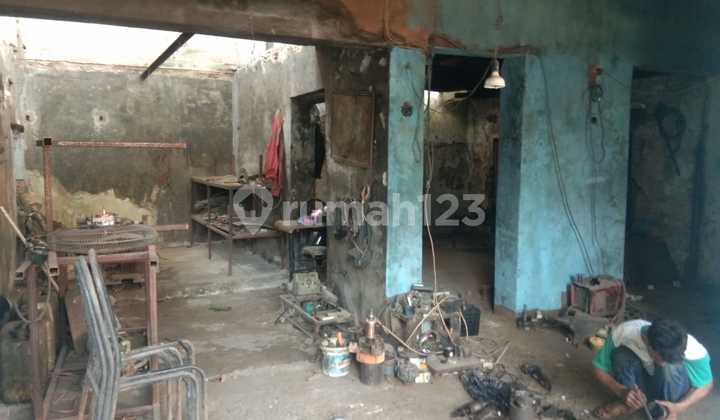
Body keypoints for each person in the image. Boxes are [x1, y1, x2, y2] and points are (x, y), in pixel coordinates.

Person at [592, 319, 713, 419]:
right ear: (646, 341)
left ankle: (665, 411)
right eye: (659, 358)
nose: (663, 364)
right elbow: (598, 367)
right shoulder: (625, 332)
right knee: (621, 355)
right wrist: (621, 390)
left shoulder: (693, 348)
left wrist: (679, 407)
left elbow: (707, 384)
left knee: (671, 368)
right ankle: (631, 402)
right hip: (641, 382)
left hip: (671, 388)